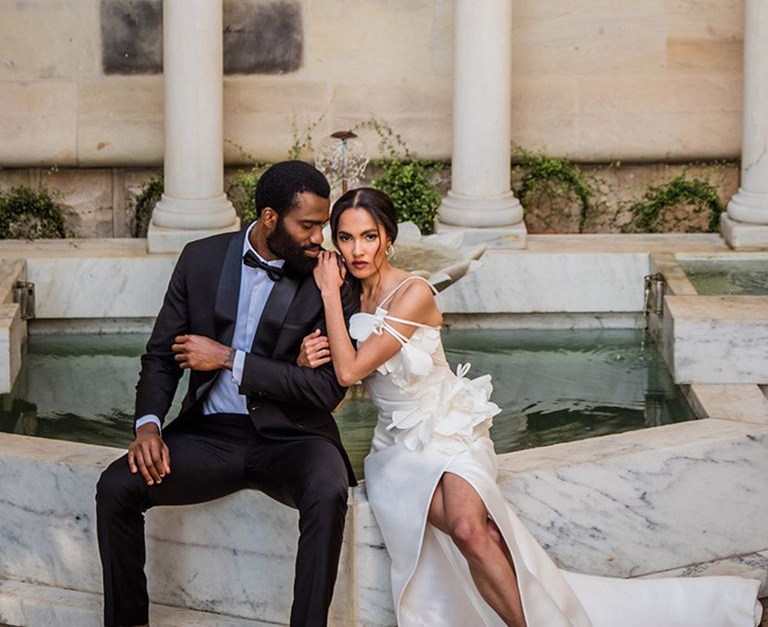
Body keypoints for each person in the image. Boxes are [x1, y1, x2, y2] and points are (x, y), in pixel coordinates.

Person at [298, 186, 763, 627]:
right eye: (346, 237)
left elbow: (349, 370)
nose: (358, 249)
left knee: (466, 527)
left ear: (388, 239)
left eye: (369, 236)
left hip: (448, 429)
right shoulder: (349, 297)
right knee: (486, 537)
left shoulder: (414, 292)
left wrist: (326, 296)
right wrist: (304, 356)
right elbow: (335, 388)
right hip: (396, 449)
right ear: (335, 242)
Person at [95, 161, 360, 627]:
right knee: (117, 486)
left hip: (294, 435)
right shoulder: (200, 260)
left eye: (324, 225)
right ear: (270, 217)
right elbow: (161, 356)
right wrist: (148, 426)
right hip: (209, 435)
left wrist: (227, 358)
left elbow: (324, 389)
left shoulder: (329, 280)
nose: (320, 238)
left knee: (327, 486)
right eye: (309, 226)